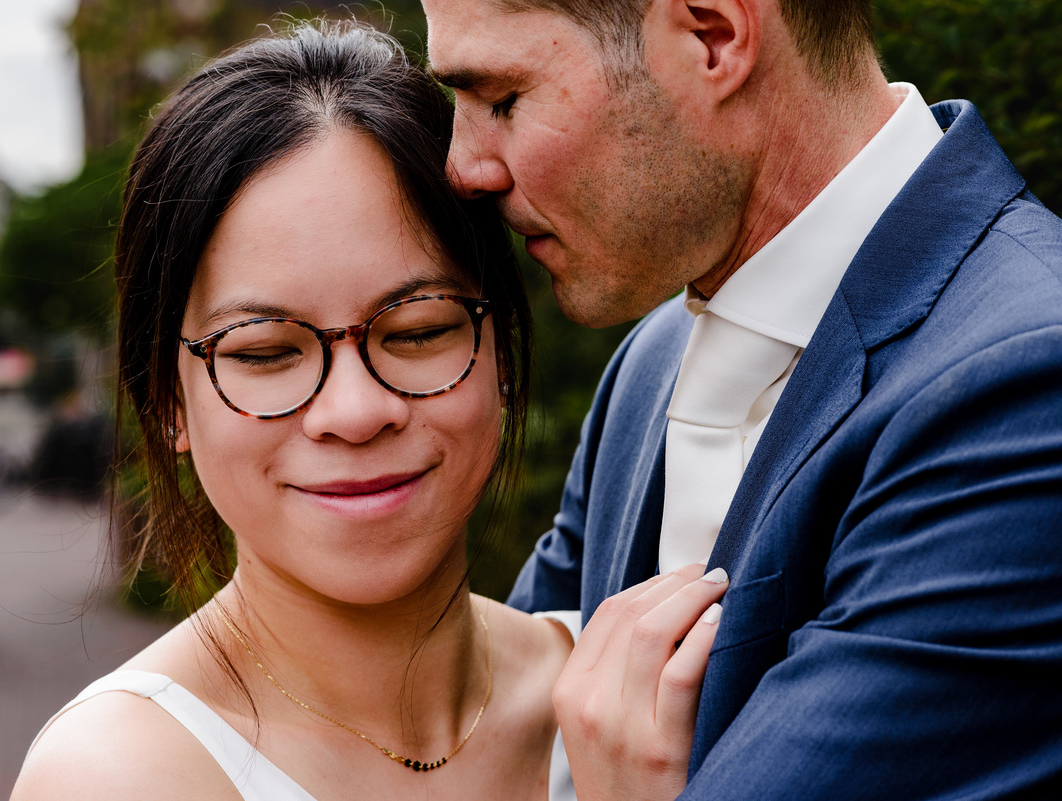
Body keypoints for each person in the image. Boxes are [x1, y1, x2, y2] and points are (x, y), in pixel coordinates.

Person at [12, 20, 727, 801]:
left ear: (503, 352)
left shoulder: (642, 694)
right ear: (167, 400)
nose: (354, 411)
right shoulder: (120, 773)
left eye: (417, 331)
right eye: (265, 351)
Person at [421, 0, 1062, 797]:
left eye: (502, 98)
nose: (463, 168)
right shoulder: (646, 366)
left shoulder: (1025, 389)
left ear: (712, 37)